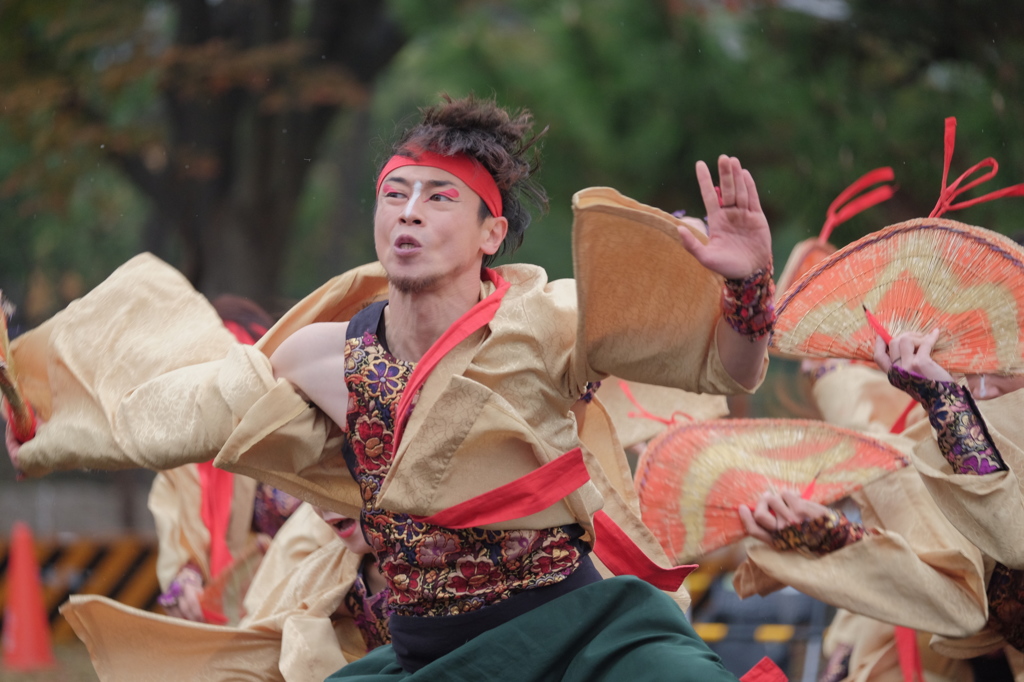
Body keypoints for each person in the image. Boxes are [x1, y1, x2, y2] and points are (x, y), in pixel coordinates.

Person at [6, 94, 776, 681]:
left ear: (490, 233)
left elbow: (727, 366)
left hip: (573, 634)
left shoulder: (549, 321)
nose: (408, 213)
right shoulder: (318, 355)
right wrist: (41, 421)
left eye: (439, 197)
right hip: (426, 654)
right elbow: (173, 417)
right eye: (395, 194)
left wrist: (747, 288)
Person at [62, 502, 391, 681]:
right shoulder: (316, 569)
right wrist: (188, 573)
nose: (322, 502)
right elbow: (193, 504)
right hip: (271, 599)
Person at [871, 328, 1024, 674]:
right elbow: (958, 604)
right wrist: (821, 535)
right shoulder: (937, 445)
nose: (982, 390)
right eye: (969, 367)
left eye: (1007, 369)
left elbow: (1015, 540)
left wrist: (946, 405)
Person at [150, 293, 303, 624]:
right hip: (258, 622)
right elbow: (180, 526)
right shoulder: (189, 455)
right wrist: (184, 582)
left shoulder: (309, 422)